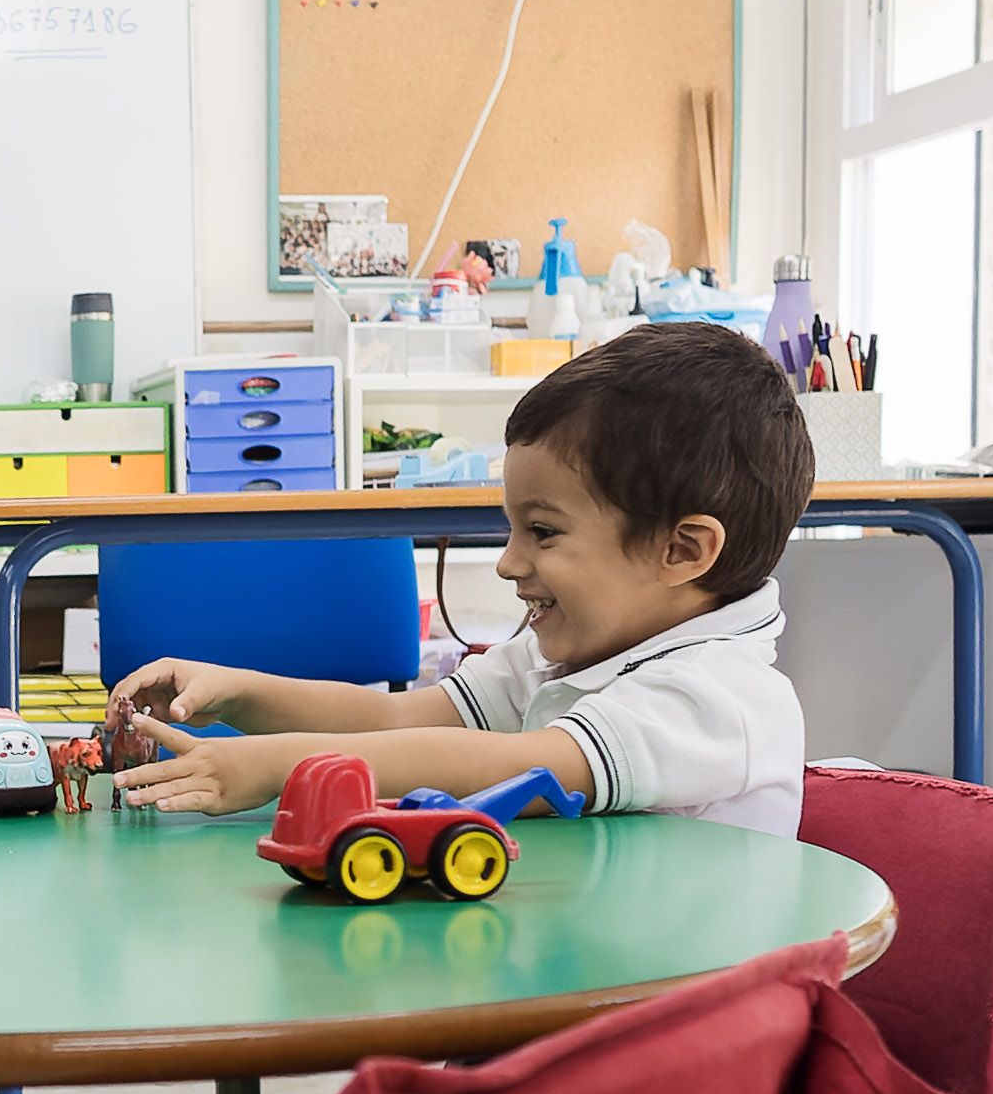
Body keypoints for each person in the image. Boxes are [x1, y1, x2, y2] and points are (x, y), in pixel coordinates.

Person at [111, 322, 807, 836]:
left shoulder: (717, 697)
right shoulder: (561, 658)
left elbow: (517, 764)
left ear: (682, 550)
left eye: (541, 531)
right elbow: (394, 718)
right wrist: (241, 694)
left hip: (677, 1018)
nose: (507, 562)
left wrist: (276, 767)